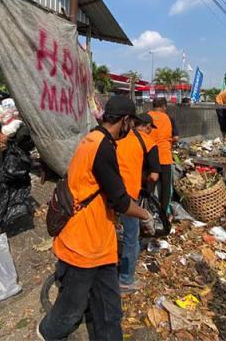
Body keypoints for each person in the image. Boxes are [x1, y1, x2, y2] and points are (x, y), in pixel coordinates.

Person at [38, 96, 155, 341]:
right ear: (124, 121)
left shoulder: (93, 137)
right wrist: (146, 215)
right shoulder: (102, 147)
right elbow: (120, 201)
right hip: (83, 245)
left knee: (109, 309)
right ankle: (46, 333)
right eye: (130, 124)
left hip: (100, 243)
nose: (130, 129)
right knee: (71, 309)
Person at [116, 113, 160, 291]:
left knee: (111, 231)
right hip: (128, 196)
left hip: (108, 190)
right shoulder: (149, 142)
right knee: (131, 237)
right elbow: (154, 175)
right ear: (147, 126)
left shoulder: (119, 136)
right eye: (150, 128)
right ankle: (125, 280)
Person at [148, 98, 179, 231]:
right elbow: (176, 138)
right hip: (165, 157)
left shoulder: (146, 117)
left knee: (149, 185)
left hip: (149, 156)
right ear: (164, 106)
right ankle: (163, 214)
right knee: (166, 188)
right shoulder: (169, 118)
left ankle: (147, 211)